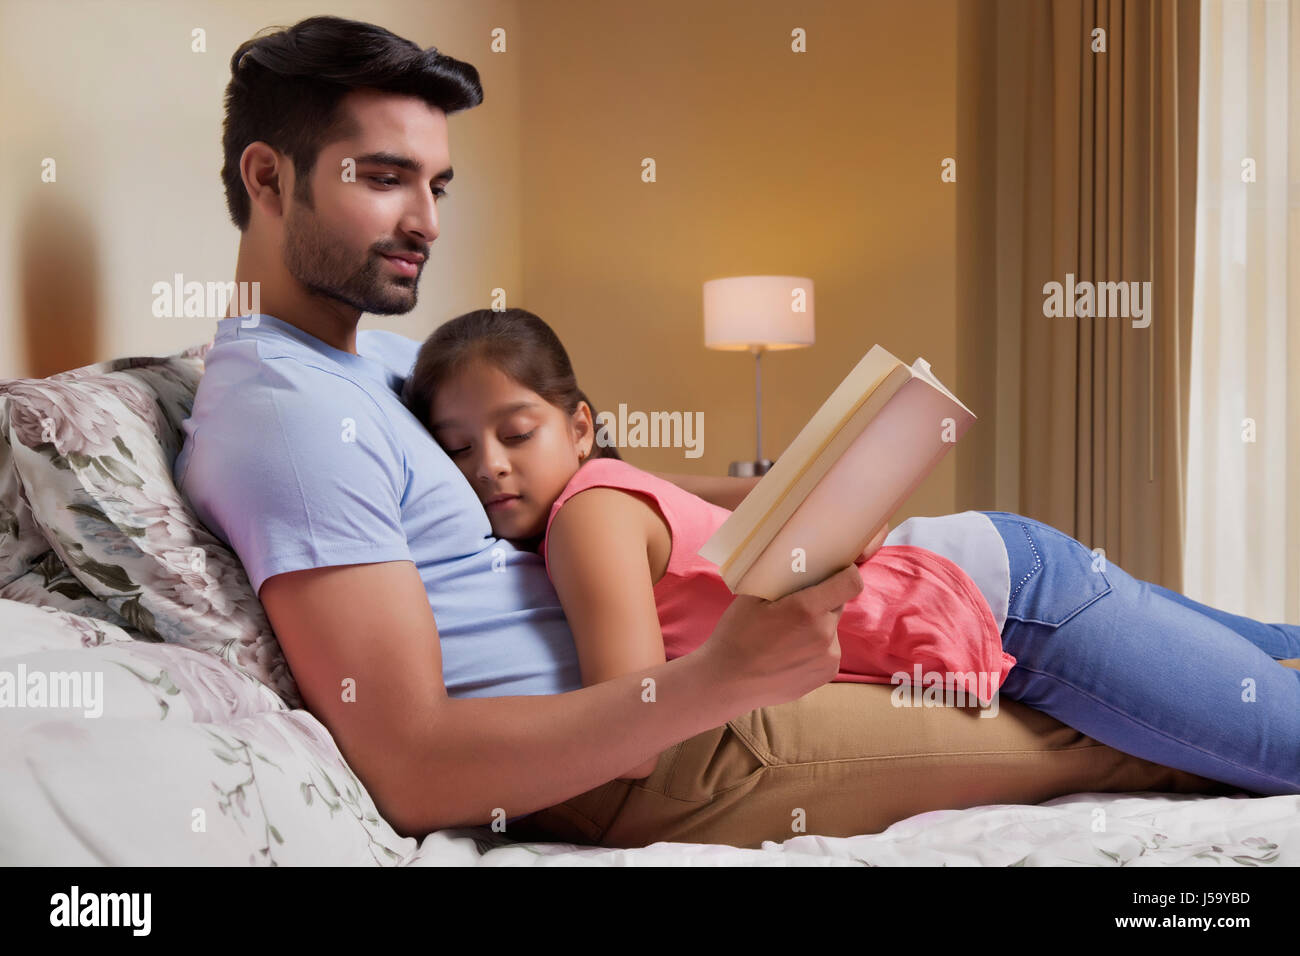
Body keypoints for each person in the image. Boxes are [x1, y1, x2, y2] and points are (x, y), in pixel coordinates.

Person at [175, 15, 1297, 848]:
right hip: (675, 740)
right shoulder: (288, 419)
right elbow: (414, 767)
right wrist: (717, 680)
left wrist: (784, 492)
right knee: (1149, 739)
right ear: (268, 178)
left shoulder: (366, 367)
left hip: (684, 696)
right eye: (383, 178)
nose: (423, 221)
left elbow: (580, 475)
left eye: (438, 184)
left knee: (1187, 670)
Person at [400, 307, 1019, 774]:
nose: (487, 466)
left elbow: (631, 740)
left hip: (996, 597)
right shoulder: (608, 492)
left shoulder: (587, 517)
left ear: (580, 426)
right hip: (958, 602)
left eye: (516, 433)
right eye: (455, 448)